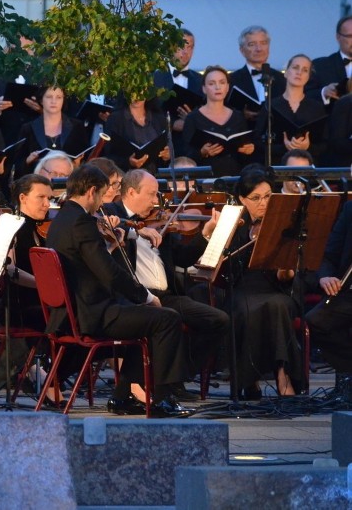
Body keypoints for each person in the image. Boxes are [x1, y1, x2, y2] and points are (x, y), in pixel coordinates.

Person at [44, 164, 191, 417]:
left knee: (142, 319)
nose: (102, 203)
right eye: (101, 195)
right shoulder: (82, 222)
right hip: (92, 314)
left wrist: (111, 248)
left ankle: (123, 397)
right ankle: (164, 399)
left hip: (72, 312)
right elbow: (110, 274)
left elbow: (90, 264)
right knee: (167, 318)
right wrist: (146, 296)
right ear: (91, 192)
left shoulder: (61, 220)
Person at [104, 169, 229, 401]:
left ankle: (178, 375)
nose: (156, 201)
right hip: (135, 298)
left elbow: (181, 257)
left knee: (217, 320)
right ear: (131, 192)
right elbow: (102, 221)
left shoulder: (158, 218)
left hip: (167, 295)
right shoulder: (113, 213)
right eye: (151, 195)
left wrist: (205, 234)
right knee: (166, 318)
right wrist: (136, 229)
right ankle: (166, 385)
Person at [213, 166, 303, 399]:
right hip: (242, 289)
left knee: (277, 305)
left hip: (277, 289)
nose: (263, 203)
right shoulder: (234, 223)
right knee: (244, 309)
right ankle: (248, 380)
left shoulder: (287, 223)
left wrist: (287, 271)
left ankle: (283, 376)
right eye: (255, 198)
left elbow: (286, 277)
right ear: (242, 199)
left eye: (268, 196)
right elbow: (224, 271)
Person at [0, 174, 64, 406]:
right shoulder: (13, 227)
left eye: (49, 198)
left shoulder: (44, 228)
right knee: (70, 316)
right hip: (20, 305)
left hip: (43, 301)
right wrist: (46, 286)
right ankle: (41, 372)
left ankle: (41, 371)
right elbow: (9, 270)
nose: (47, 204)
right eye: (41, 197)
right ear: (22, 198)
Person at [305, 198, 352, 402]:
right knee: (316, 321)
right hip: (349, 293)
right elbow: (329, 254)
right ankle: (348, 375)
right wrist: (325, 276)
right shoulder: (350, 208)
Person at [182, 65, 256, 176]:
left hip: (234, 177)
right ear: (204, 88)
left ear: (227, 87)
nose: (218, 87)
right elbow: (184, 154)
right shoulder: (193, 118)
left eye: (222, 82)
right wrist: (202, 152)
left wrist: (249, 150)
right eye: (212, 83)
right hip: (205, 178)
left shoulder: (238, 116)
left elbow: (243, 155)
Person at [253, 54, 327, 165]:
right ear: (286, 72)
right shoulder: (270, 105)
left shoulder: (317, 107)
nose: (299, 73)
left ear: (309, 76)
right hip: (276, 168)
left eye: (305, 70)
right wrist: (283, 147)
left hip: (307, 168)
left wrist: (308, 146)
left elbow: (325, 144)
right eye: (295, 67)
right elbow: (258, 141)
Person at [152, 29, 203, 154]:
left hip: (193, 150)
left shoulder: (201, 80)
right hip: (161, 148)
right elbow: (147, 113)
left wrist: (190, 120)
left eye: (190, 47)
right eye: (180, 46)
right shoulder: (154, 78)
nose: (185, 52)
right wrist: (172, 124)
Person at [18, 86, 88, 175]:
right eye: (49, 97)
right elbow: (18, 163)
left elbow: (86, 159)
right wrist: (28, 160)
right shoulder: (28, 128)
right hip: (37, 181)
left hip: (68, 182)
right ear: (41, 100)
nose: (54, 101)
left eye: (58, 97)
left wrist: (77, 164)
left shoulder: (77, 126)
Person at [227, 25, 286, 126]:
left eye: (263, 43)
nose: (259, 49)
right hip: (244, 136)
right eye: (252, 44)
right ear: (242, 50)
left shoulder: (282, 79)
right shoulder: (231, 79)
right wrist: (241, 115)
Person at [103, 99, 170, 174]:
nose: (136, 97)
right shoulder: (115, 119)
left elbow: (167, 148)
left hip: (154, 176)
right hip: (126, 176)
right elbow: (108, 154)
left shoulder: (159, 119)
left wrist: (166, 156)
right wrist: (128, 162)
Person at [306, 15, 352, 114]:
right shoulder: (321, 66)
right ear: (338, 37)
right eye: (350, 36)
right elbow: (305, 96)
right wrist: (324, 93)